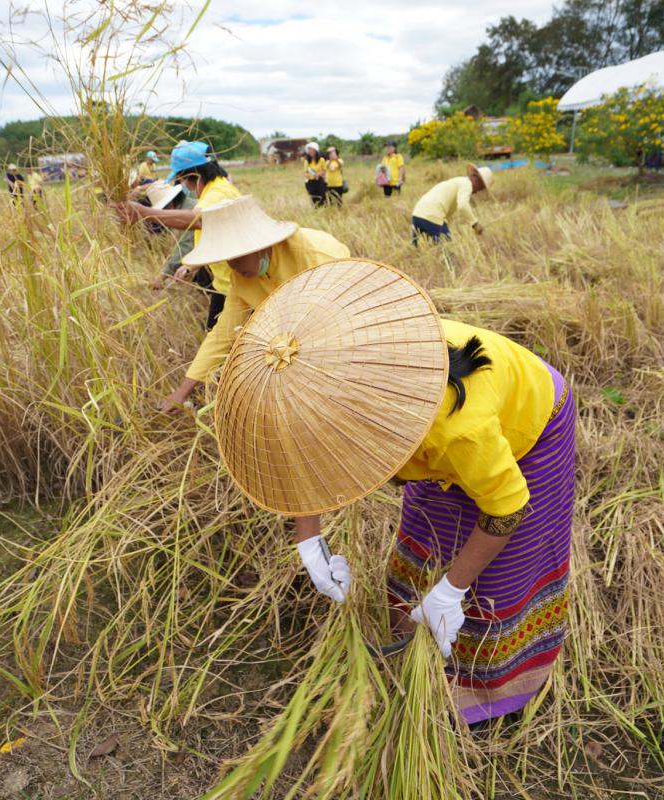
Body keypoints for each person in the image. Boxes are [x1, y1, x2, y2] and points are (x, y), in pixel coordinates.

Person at [213, 259, 575, 727]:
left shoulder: (456, 429)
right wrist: (310, 540)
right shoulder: (332, 368)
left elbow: (507, 509)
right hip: (438, 433)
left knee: (499, 573)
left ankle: (480, 694)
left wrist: (451, 591)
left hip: (531, 426)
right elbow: (307, 453)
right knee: (424, 540)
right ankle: (409, 651)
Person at [155, 194, 349, 412]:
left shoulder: (315, 257)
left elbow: (342, 316)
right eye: (226, 258)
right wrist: (181, 393)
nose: (233, 265)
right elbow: (222, 335)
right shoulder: (242, 280)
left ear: (260, 245)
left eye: (237, 255)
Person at [116, 141, 240, 332]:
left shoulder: (216, 193)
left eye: (182, 179)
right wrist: (191, 266)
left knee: (226, 339)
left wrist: (143, 213)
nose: (183, 184)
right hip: (224, 283)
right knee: (216, 334)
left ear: (193, 176)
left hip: (235, 286)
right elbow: (215, 238)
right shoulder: (216, 189)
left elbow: (199, 221)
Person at [410, 164, 493, 245]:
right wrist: (475, 224)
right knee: (447, 247)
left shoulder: (458, 181)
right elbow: (463, 205)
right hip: (432, 216)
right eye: (480, 188)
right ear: (478, 182)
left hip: (417, 214)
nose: (476, 192)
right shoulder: (467, 184)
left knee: (417, 249)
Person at [142, 181, 199, 291]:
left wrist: (162, 276)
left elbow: (185, 246)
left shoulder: (189, 213)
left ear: (170, 205)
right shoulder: (189, 205)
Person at [303, 142, 327, 207]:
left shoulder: (321, 160)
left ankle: (323, 208)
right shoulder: (307, 161)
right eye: (309, 150)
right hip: (310, 182)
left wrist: (318, 174)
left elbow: (324, 170)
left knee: (321, 196)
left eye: (312, 149)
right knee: (313, 197)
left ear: (316, 150)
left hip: (319, 181)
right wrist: (306, 174)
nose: (310, 151)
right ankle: (315, 208)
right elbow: (305, 171)